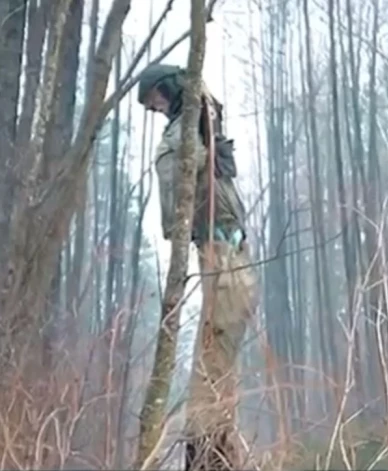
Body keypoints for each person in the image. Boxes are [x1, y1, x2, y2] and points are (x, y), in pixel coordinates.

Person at [137, 63, 258, 470]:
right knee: (215, 349)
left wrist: (177, 228)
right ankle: (209, 447)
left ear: (165, 90)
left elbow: (180, 170)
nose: (153, 109)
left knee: (217, 348)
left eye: (153, 100)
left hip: (224, 248)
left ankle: (210, 449)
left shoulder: (191, 124)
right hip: (219, 246)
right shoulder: (195, 122)